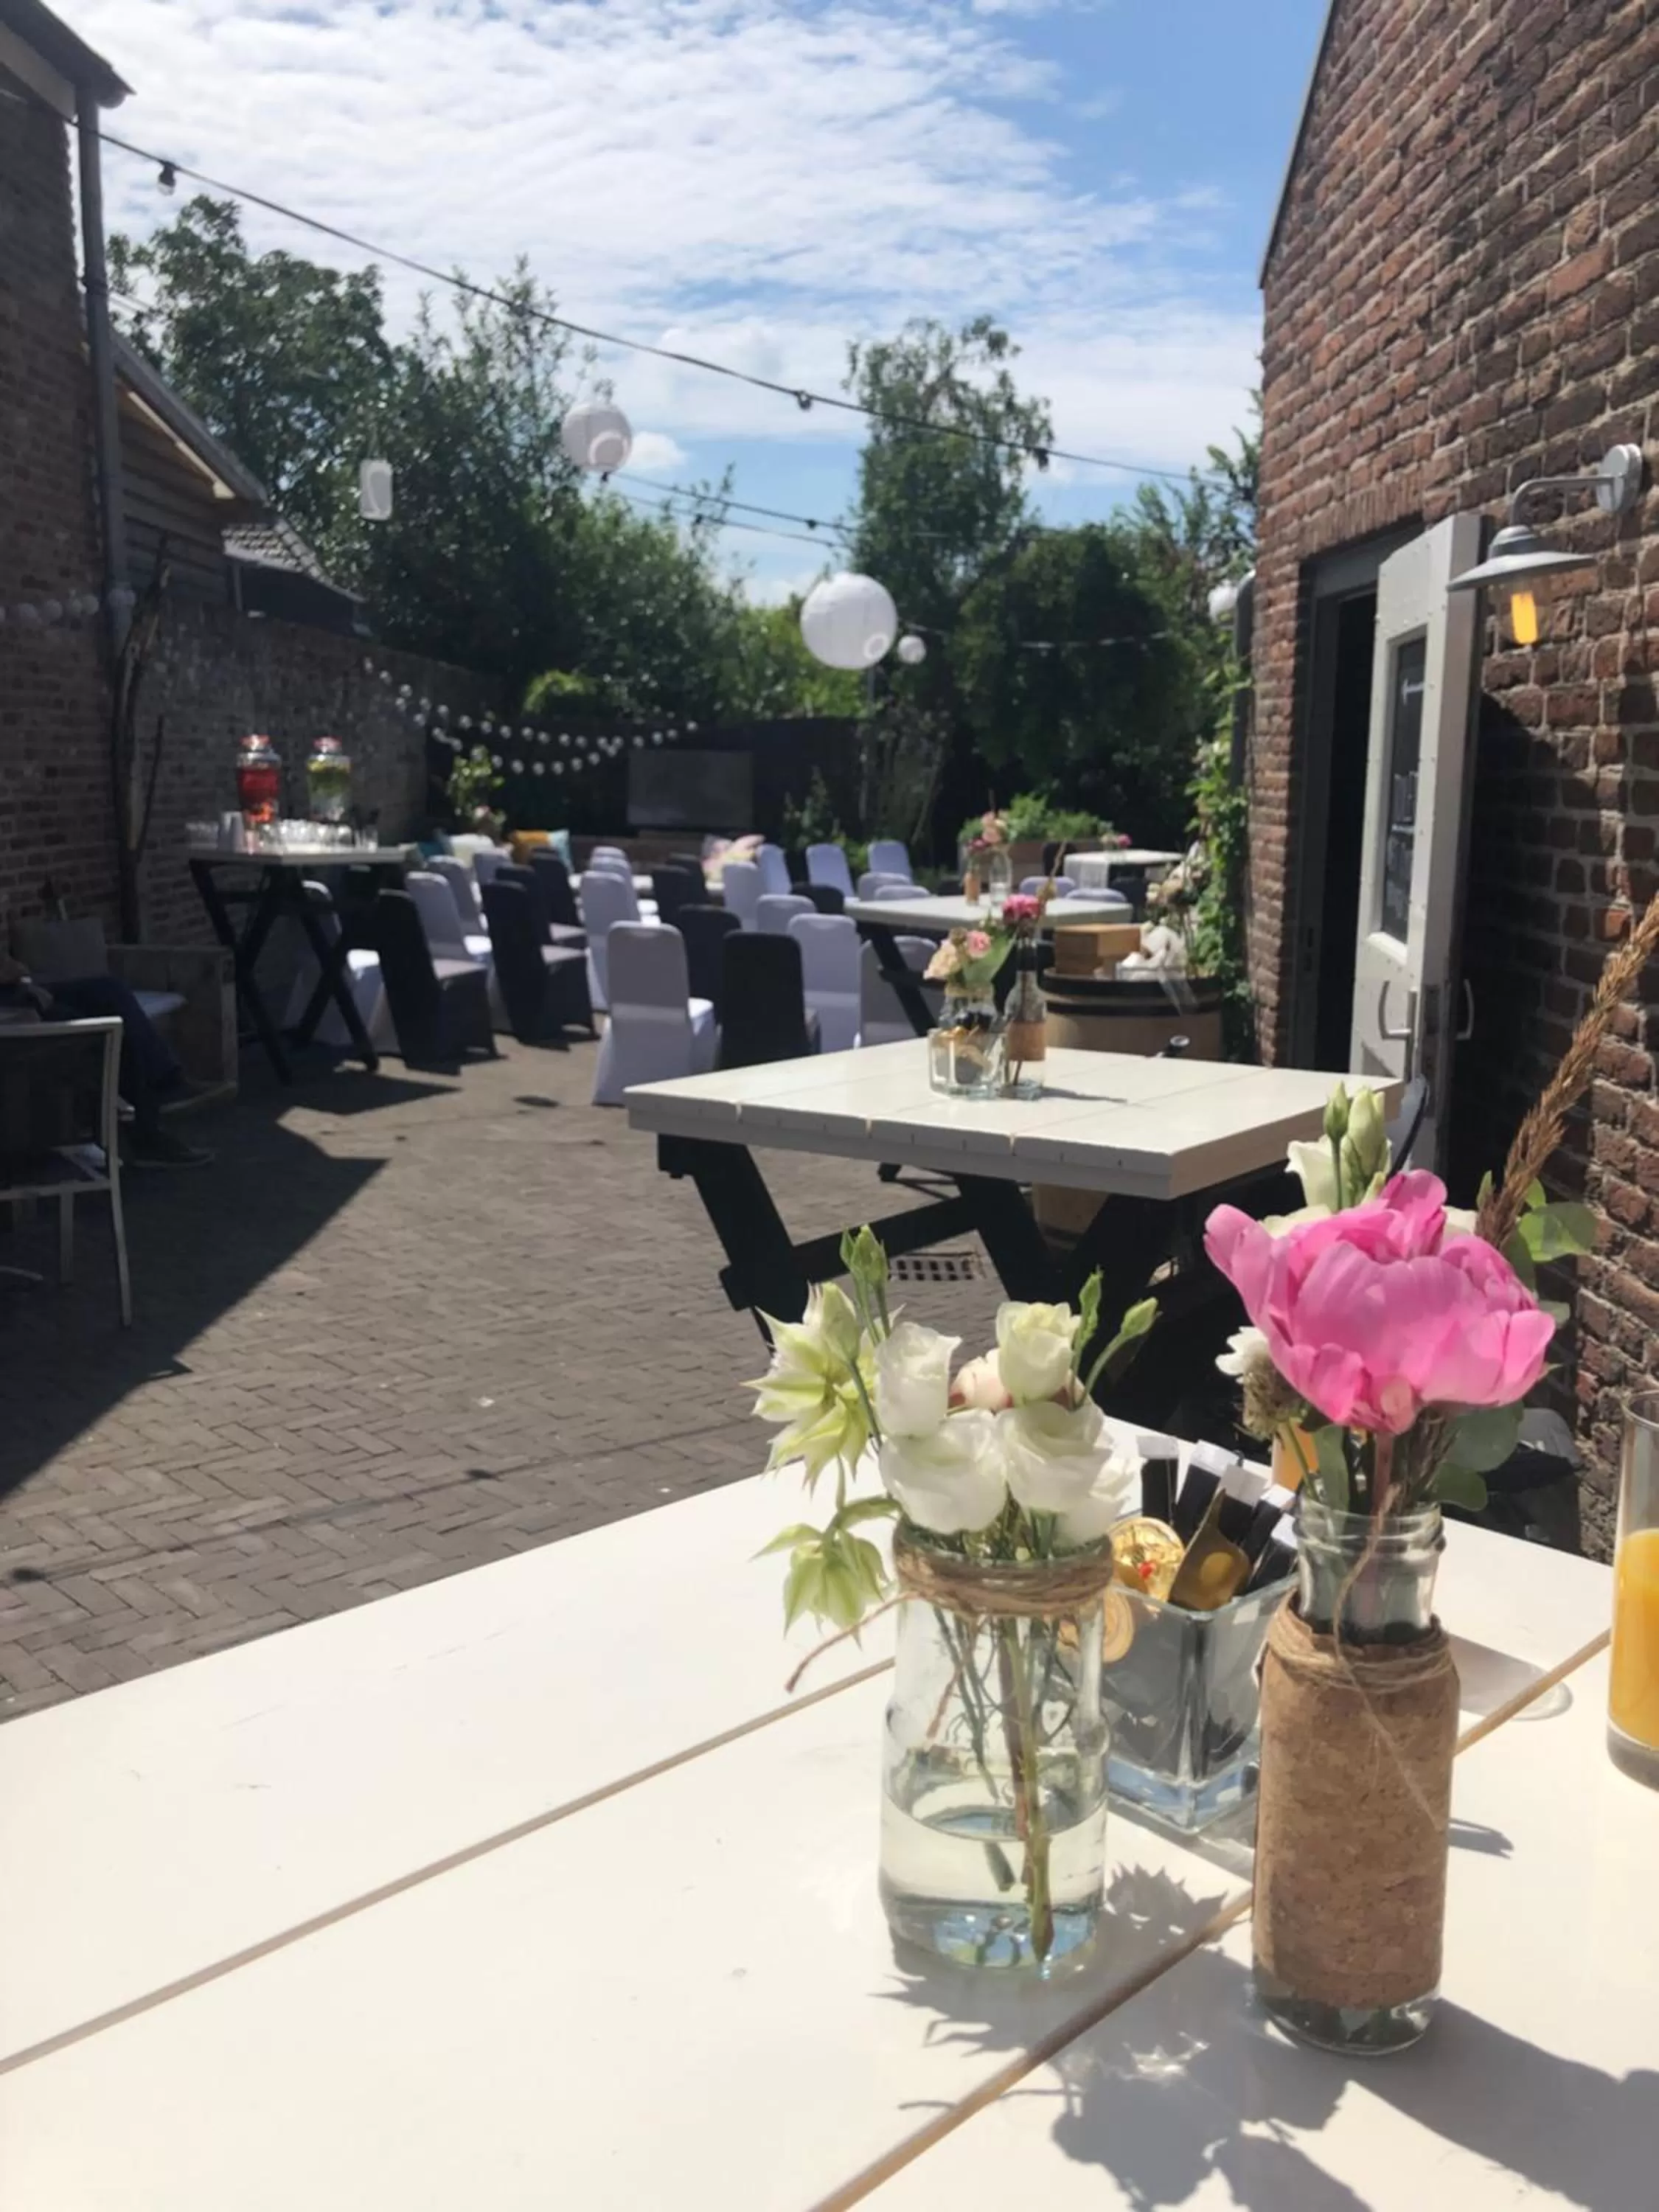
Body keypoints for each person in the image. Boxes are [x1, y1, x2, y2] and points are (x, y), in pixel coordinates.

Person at [0, 954, 215, 1166]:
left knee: (109, 990)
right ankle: (143, 1134)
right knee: (94, 1027)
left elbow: (13, 967)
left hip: (15, 991)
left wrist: (23, 981)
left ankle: (168, 1082)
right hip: (10, 1009)